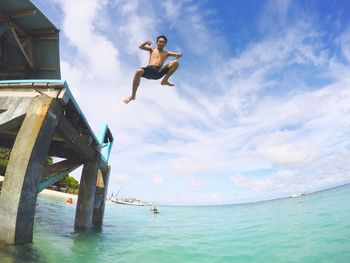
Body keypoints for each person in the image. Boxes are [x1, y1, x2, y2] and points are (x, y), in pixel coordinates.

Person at [123, 35, 182, 104]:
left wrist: (178, 54)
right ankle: (133, 96)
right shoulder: (152, 49)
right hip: (149, 70)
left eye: (163, 42)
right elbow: (141, 47)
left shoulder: (167, 53)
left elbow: (177, 54)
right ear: (157, 42)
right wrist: (146, 43)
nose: (161, 43)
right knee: (138, 71)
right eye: (160, 42)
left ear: (165, 44)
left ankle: (165, 80)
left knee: (176, 63)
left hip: (158, 73)